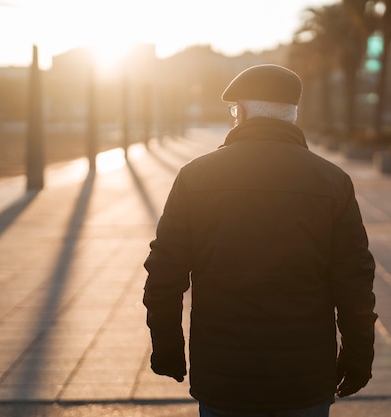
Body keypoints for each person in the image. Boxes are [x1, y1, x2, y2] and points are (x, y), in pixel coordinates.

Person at [143, 64, 377, 417]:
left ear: (244, 112)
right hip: (304, 378)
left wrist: (168, 348)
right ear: (293, 116)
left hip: (224, 377)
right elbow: (354, 282)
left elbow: (164, 274)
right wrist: (358, 357)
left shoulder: (195, 177)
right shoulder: (333, 182)